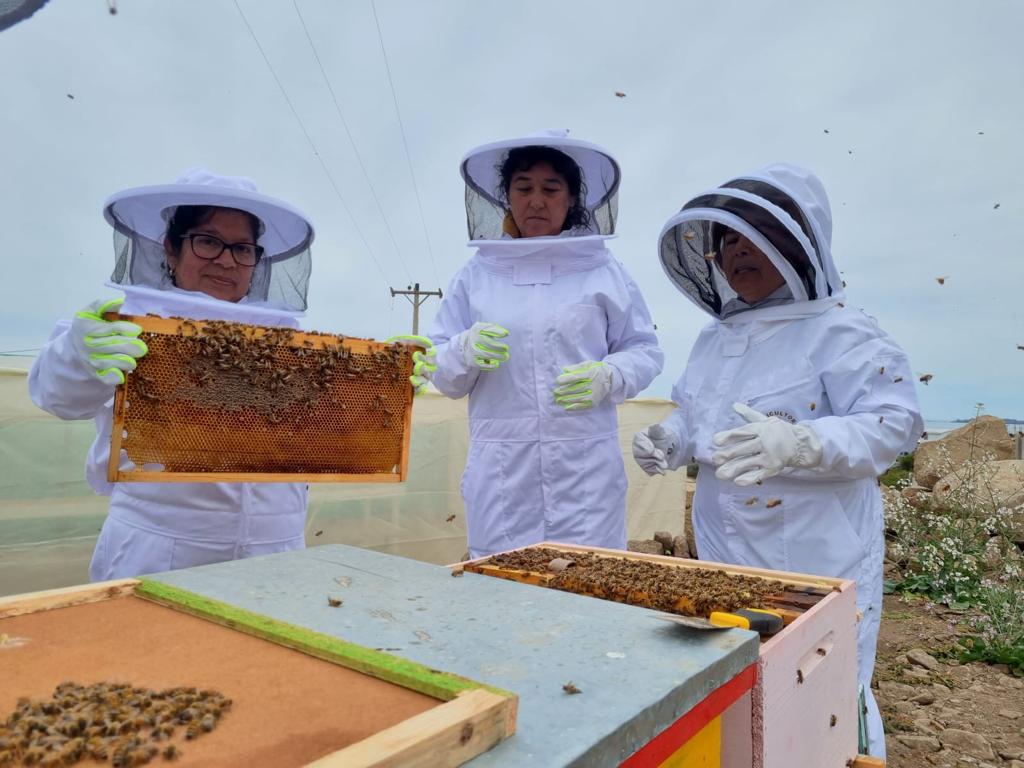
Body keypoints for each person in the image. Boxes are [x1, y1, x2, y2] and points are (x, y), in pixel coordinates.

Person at [632, 163, 922, 759]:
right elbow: (698, 415)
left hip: (819, 550)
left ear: (798, 243)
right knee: (734, 678)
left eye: (757, 234)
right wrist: (672, 437)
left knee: (822, 688)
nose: (740, 250)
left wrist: (803, 443)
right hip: (723, 548)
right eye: (729, 239)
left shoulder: (843, 331)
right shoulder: (716, 338)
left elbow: (895, 425)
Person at [29, 167, 317, 580]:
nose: (226, 260)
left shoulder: (291, 341)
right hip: (161, 547)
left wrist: (395, 384)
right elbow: (58, 397)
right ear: (170, 248)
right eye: (208, 241)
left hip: (280, 549)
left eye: (242, 248)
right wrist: (78, 355)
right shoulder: (128, 323)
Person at [425, 129, 663, 559]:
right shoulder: (476, 274)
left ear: (572, 198)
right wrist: (462, 350)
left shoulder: (603, 270)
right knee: (502, 595)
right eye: (524, 187)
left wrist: (611, 374)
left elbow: (645, 349)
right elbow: (441, 372)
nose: (537, 200)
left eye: (551, 188)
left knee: (589, 592)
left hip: (585, 472)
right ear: (506, 196)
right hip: (502, 475)